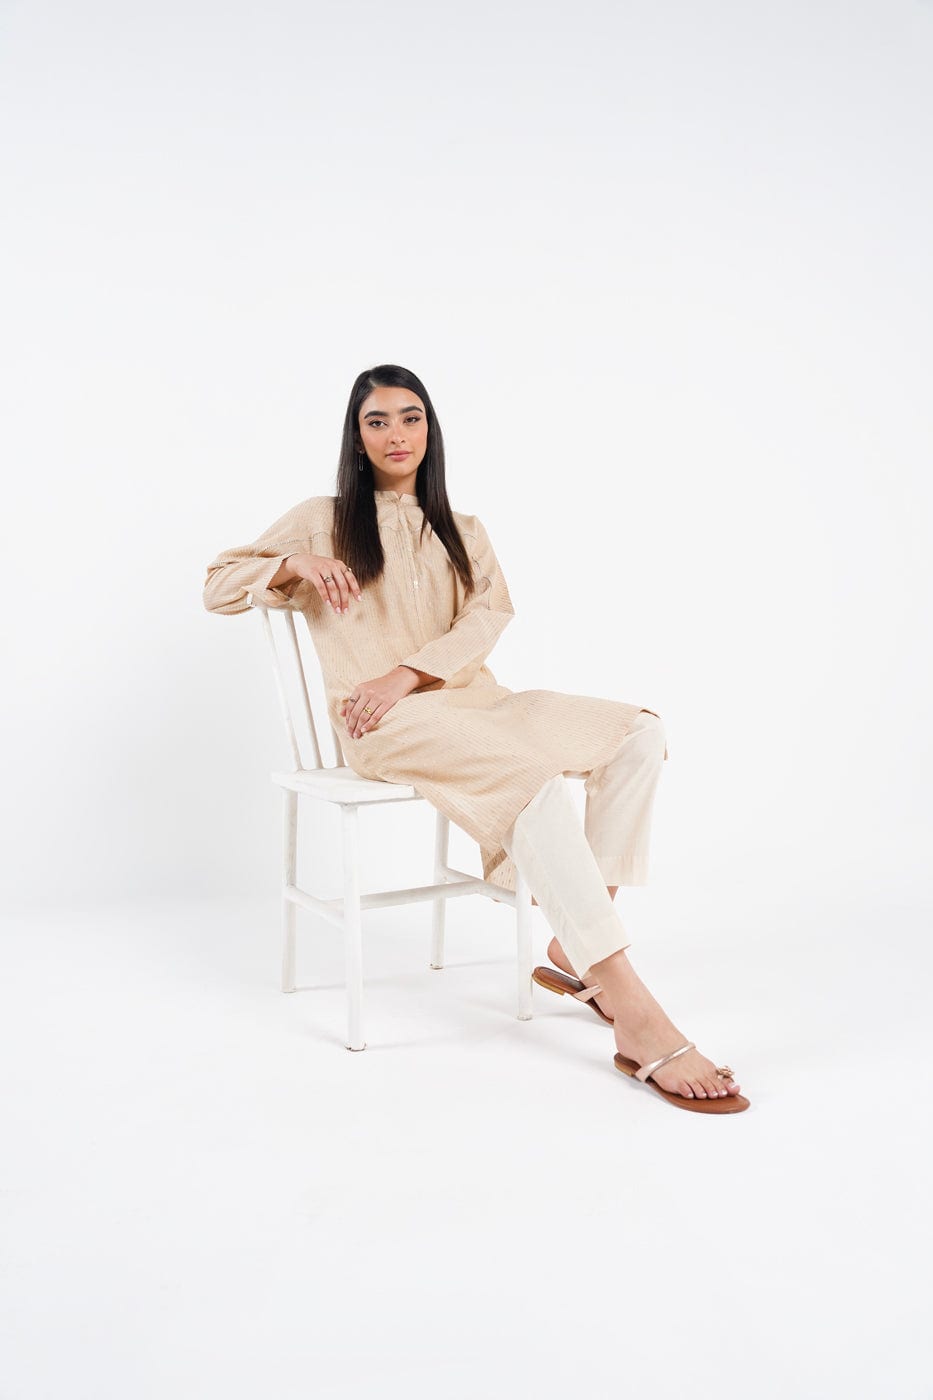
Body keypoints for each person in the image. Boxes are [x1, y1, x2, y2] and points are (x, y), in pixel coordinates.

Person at [203, 364, 749, 1114]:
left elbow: (490, 615)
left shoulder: (464, 530)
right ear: (357, 439)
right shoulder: (319, 518)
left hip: (475, 703)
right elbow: (217, 585)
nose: (396, 434)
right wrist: (294, 562)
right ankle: (631, 1005)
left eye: (411, 417)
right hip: (383, 723)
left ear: (430, 429)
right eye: (376, 421)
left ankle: (576, 941)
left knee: (637, 734)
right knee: (528, 776)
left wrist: (407, 672)